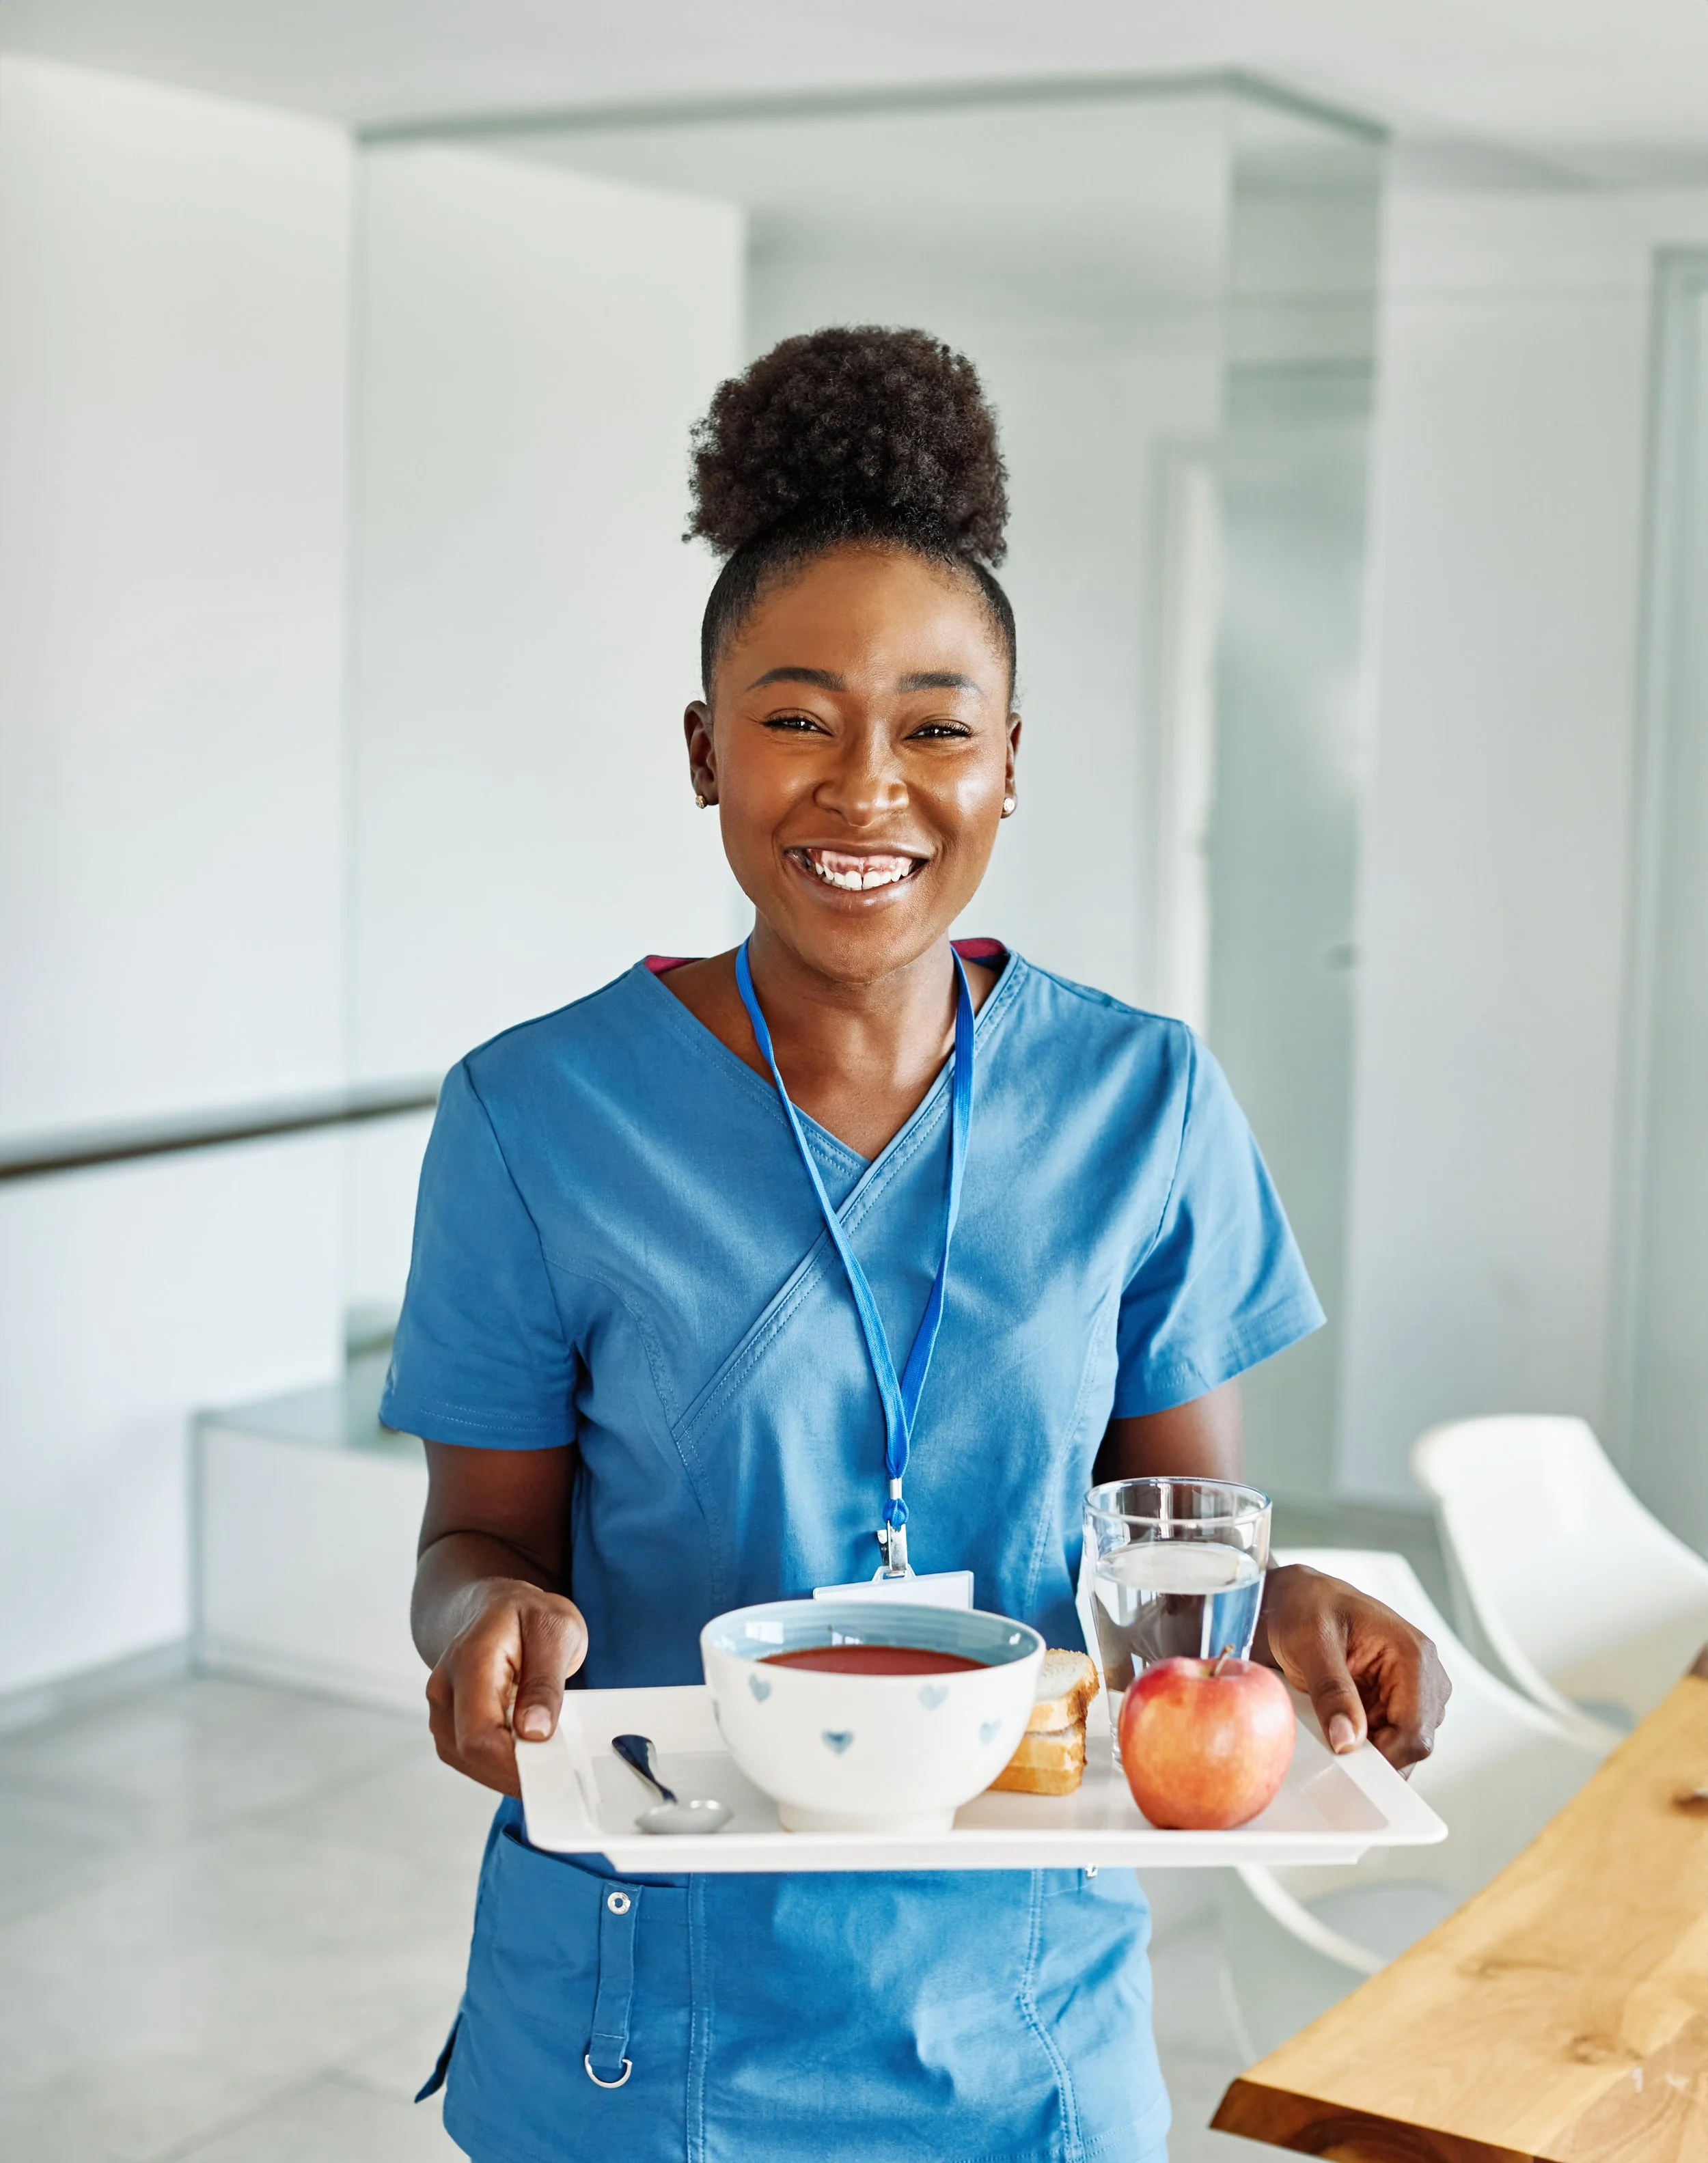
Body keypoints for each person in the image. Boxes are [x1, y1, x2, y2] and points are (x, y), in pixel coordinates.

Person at [384, 325, 1450, 2163]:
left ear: (1010, 762)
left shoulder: (1143, 1099)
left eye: (936, 723)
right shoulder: (534, 1116)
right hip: (649, 2016)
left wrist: (1277, 1610)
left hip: (1020, 2023)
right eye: (796, 717)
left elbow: (1170, 1539)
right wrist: (487, 1618)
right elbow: (477, 1539)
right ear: (706, 751)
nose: (864, 787)